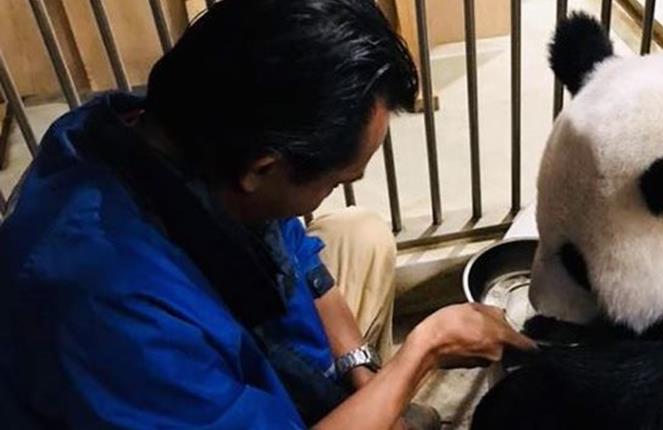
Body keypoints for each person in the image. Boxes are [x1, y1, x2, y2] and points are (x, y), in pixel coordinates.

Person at [0, 1, 535, 429]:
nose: (335, 191)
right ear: (262, 170)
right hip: (174, 386)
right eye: (335, 182)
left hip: (244, 347)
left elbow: (295, 250)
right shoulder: (113, 314)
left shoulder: (184, 129)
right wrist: (424, 351)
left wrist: (366, 375)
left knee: (360, 234)